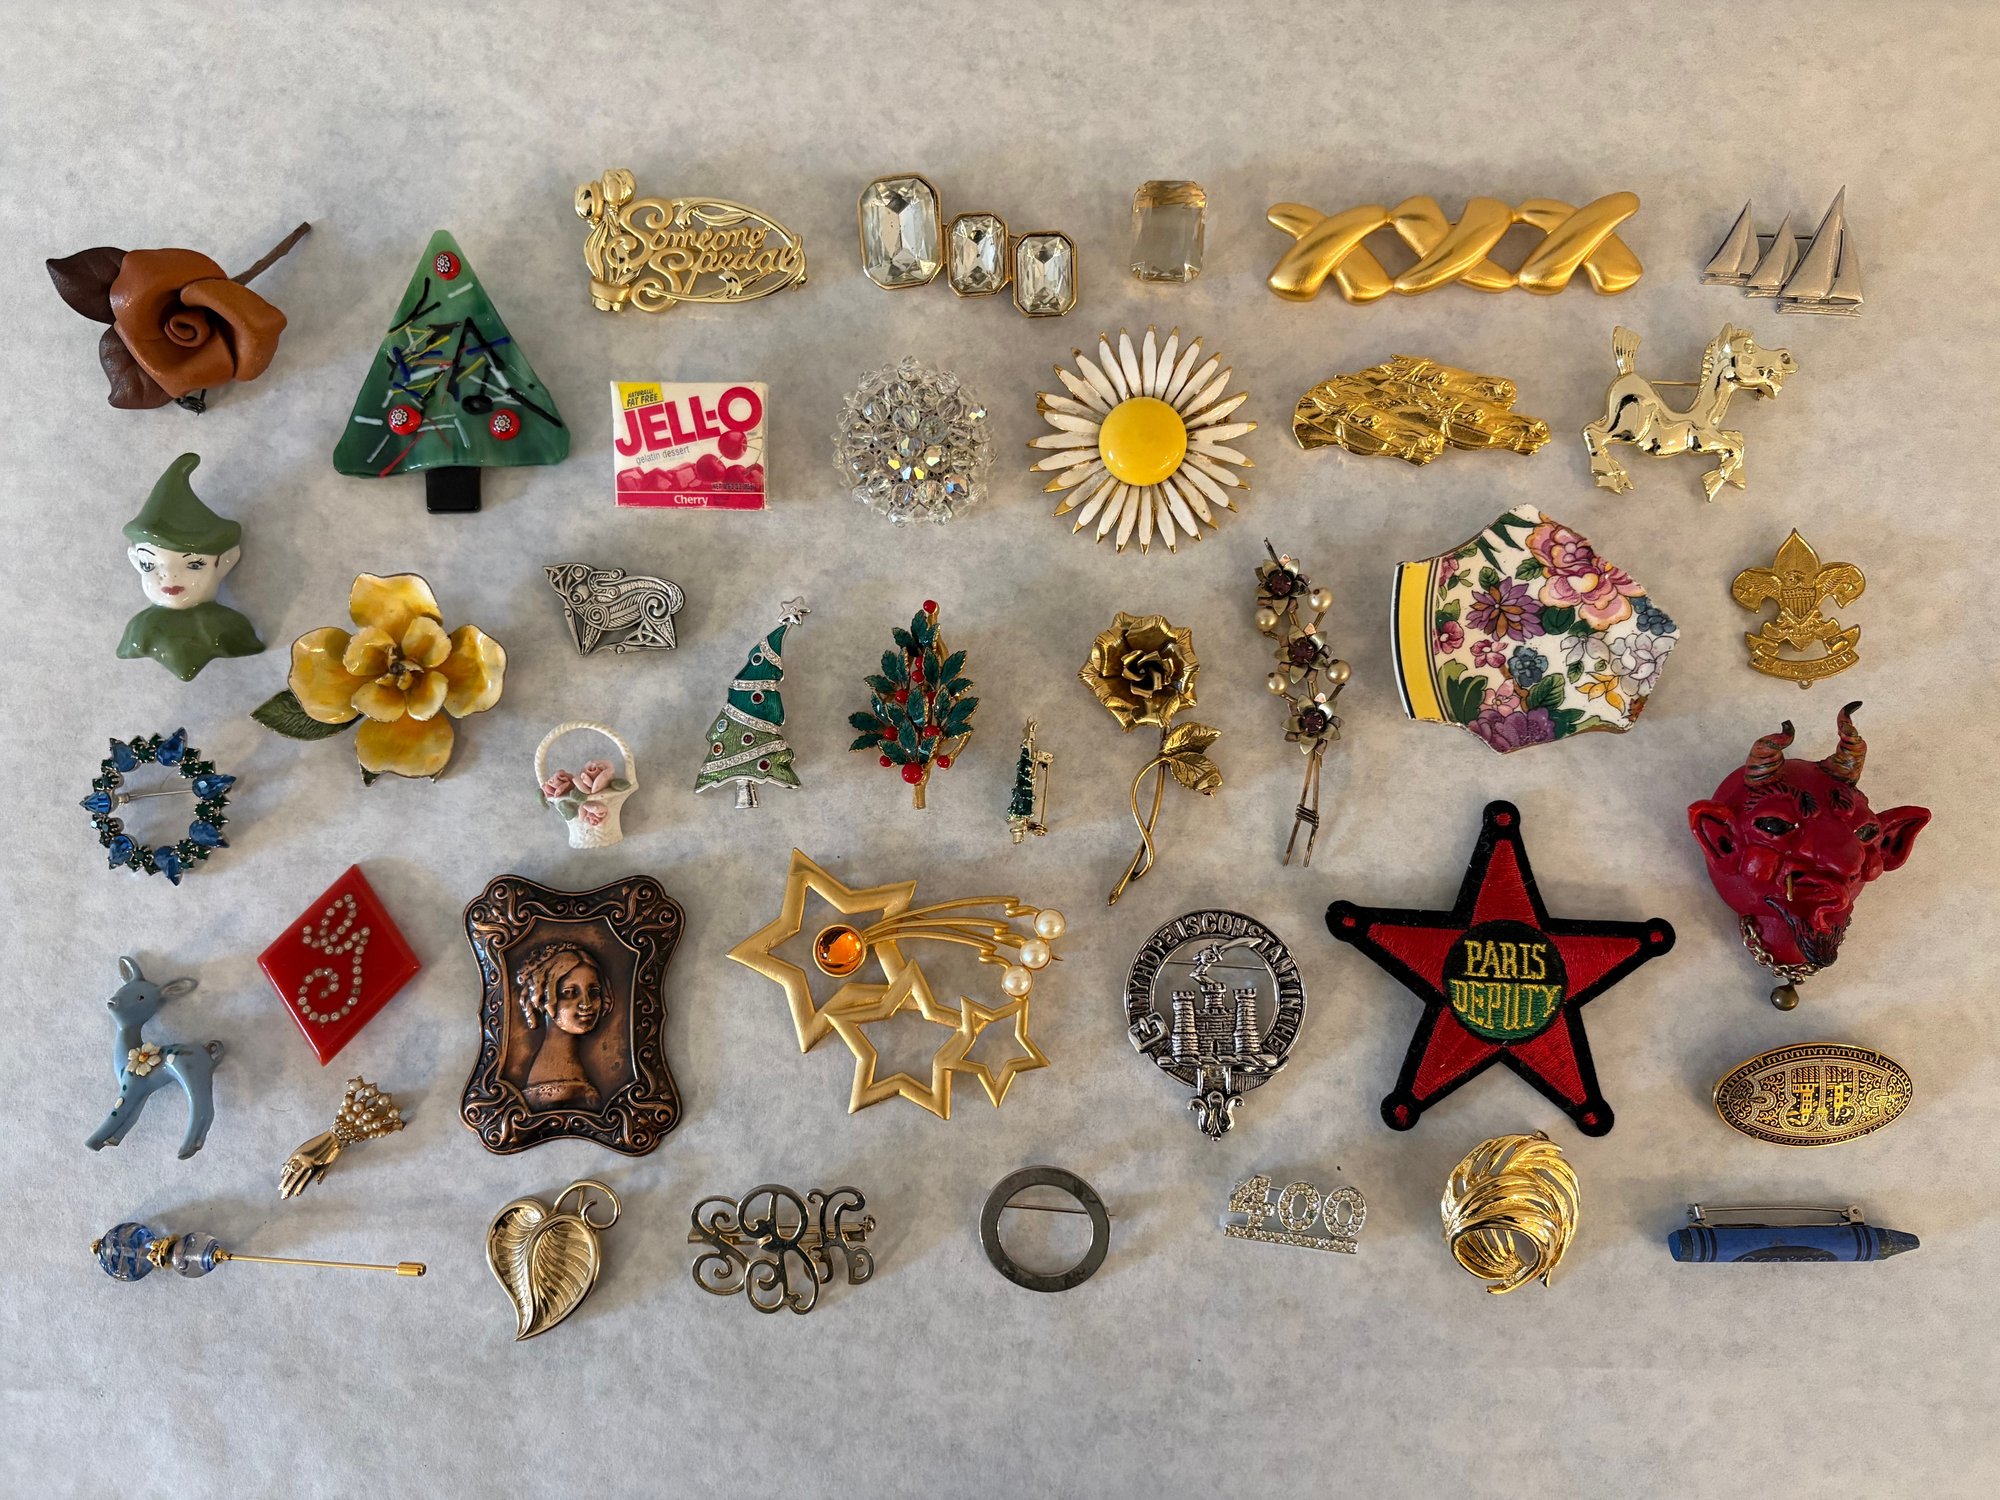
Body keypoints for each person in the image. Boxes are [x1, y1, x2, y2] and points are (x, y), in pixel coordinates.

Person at [117, 453, 264, 681]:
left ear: (224, 561)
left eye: (194, 564)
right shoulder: (139, 631)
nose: (169, 576)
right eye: (149, 564)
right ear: (136, 561)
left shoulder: (228, 628)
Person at [514, 943, 607, 1111]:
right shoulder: (550, 1079)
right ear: (542, 997)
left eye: (593, 992)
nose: (586, 1004)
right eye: (569, 993)